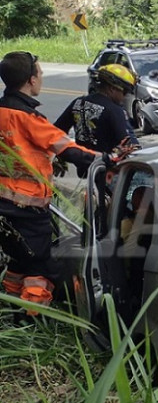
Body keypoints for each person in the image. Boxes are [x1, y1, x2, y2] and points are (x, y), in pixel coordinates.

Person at [0, 51, 99, 313]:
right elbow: (70, 149)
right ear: (30, 80)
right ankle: (34, 318)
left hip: (4, 207)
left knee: (18, 261)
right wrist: (106, 159)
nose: (42, 77)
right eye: (40, 73)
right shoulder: (29, 118)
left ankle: (12, 309)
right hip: (27, 209)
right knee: (40, 267)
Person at [54, 63, 140, 160]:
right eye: (124, 92)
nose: (125, 97)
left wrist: (60, 156)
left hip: (84, 165)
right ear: (112, 89)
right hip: (107, 168)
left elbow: (56, 132)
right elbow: (128, 146)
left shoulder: (78, 103)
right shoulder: (114, 110)